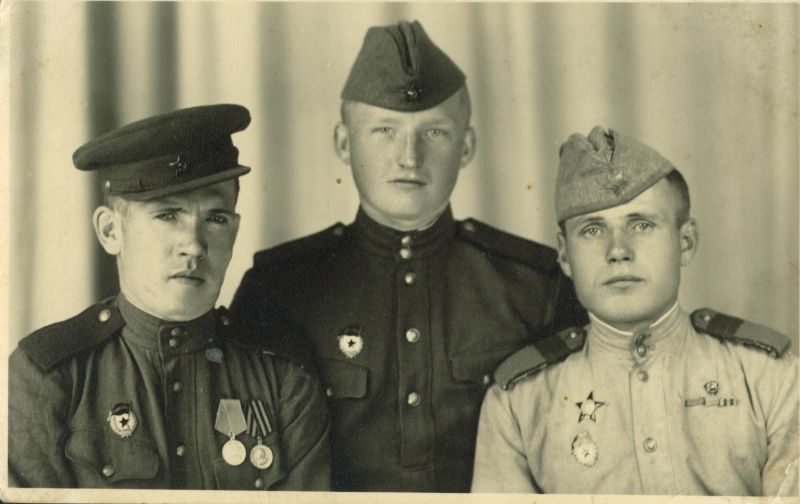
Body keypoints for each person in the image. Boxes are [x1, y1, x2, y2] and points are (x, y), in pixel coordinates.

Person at [231, 21, 587, 492]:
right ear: (344, 143)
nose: (409, 158)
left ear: (466, 146)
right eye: (384, 130)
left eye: (434, 132)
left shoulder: (535, 287)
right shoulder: (279, 289)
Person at [8, 104, 330, 490]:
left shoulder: (283, 379)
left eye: (216, 218)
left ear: (234, 232)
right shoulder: (52, 377)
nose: (193, 245)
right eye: (167, 215)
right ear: (111, 231)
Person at [471, 126, 799, 495]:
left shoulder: (770, 378)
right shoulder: (518, 403)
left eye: (641, 225)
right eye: (592, 230)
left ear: (686, 242)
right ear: (564, 254)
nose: (618, 251)